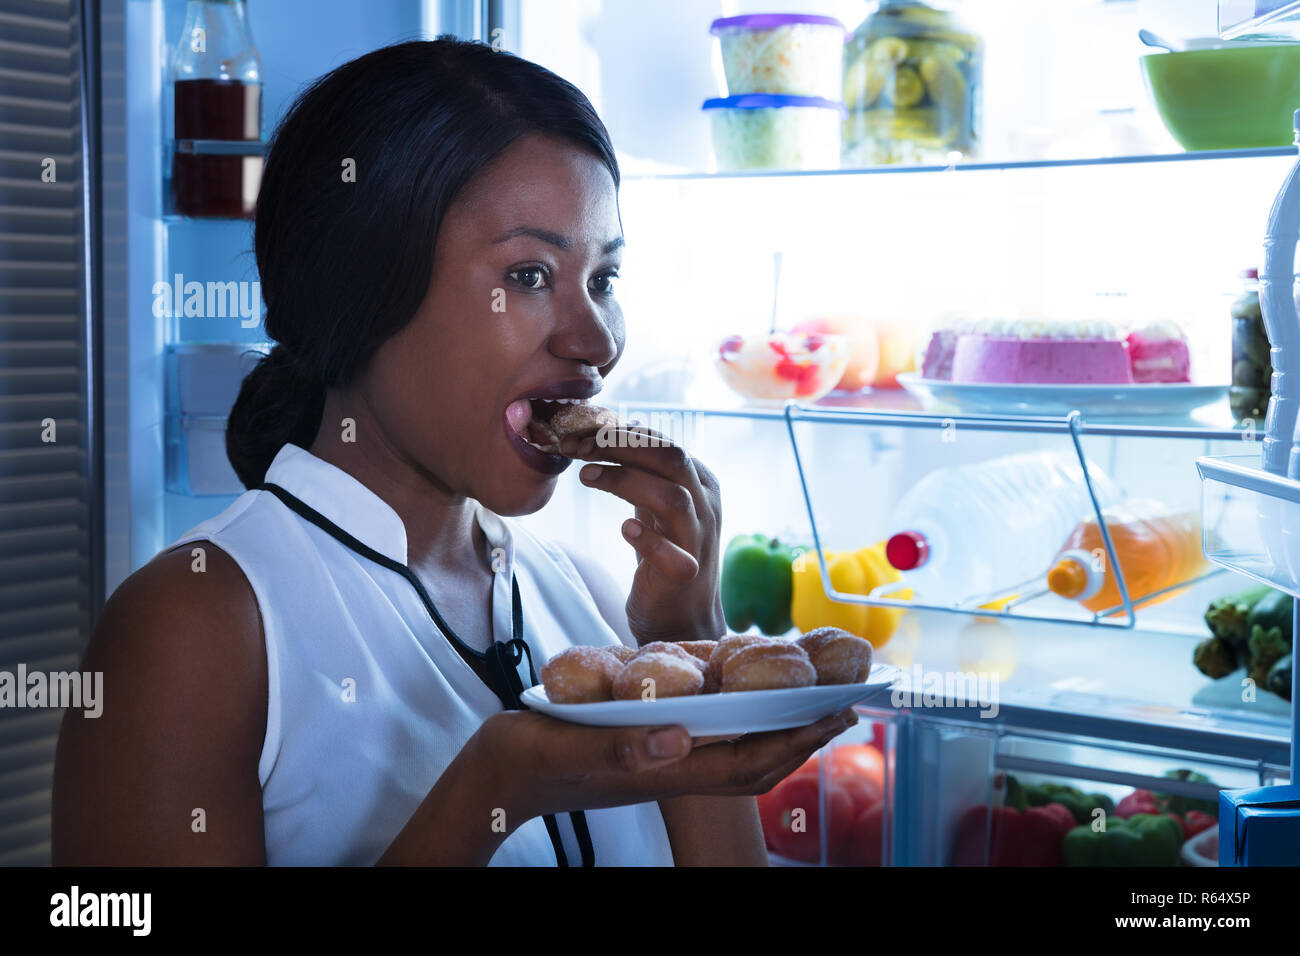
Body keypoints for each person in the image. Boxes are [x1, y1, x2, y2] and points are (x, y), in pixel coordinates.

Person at [52, 38, 856, 866]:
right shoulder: (194, 625)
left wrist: (695, 650)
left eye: (604, 280)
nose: (598, 341)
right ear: (363, 287)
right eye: (533, 275)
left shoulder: (587, 596)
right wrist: (492, 793)